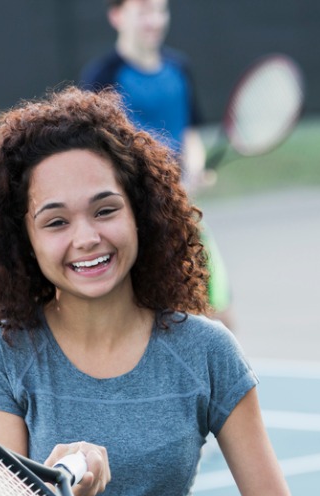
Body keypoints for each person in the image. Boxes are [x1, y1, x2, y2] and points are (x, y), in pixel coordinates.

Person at [0, 87, 310, 496]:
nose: (87, 237)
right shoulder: (0, 354)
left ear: (140, 211)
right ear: (22, 239)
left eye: (105, 210)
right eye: (56, 222)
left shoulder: (207, 351)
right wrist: (55, 486)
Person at [79, 0, 235, 328]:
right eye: (144, 11)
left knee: (221, 318)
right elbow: (95, 152)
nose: (155, 20)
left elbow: (188, 132)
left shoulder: (179, 68)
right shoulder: (103, 75)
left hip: (180, 213)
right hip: (135, 221)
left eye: (160, 10)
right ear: (117, 15)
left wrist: (194, 167)